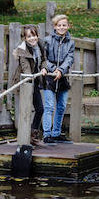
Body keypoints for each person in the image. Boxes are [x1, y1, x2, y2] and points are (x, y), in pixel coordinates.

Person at [10, 25, 47, 146]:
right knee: (25, 110)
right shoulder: (22, 50)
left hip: (35, 82)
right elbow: (25, 67)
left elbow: (44, 60)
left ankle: (33, 135)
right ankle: (24, 139)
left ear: (37, 35)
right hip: (25, 82)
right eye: (29, 36)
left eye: (34, 35)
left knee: (40, 109)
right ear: (25, 38)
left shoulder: (40, 45)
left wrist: (43, 68)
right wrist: (29, 77)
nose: (32, 38)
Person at [42, 14, 75, 143]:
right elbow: (44, 58)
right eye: (59, 25)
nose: (61, 27)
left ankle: (56, 133)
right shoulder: (47, 40)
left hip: (62, 77)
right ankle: (47, 134)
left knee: (61, 106)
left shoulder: (71, 43)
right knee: (49, 106)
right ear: (55, 27)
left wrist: (61, 70)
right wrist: (52, 69)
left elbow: (69, 58)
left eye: (64, 25)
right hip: (49, 77)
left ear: (68, 26)